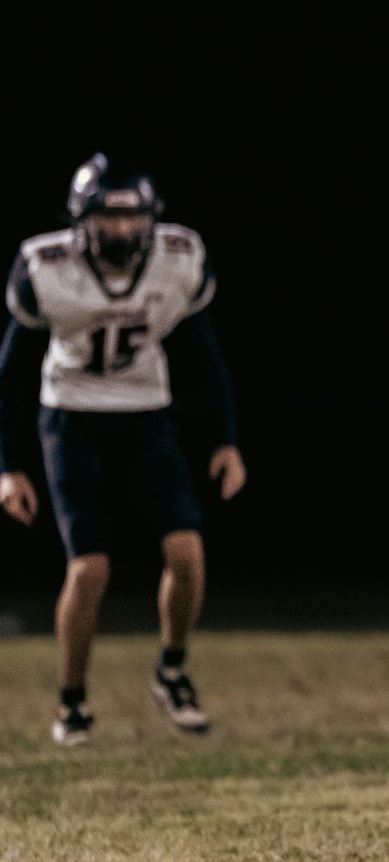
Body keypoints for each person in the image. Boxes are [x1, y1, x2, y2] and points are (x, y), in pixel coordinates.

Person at [0, 154, 246, 745]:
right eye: (108, 219)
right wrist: (7, 466)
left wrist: (226, 439)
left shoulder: (178, 257)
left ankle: (173, 669)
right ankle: (72, 704)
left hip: (145, 413)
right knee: (90, 569)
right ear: (83, 221)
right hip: (71, 417)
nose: (122, 232)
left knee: (187, 553)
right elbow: (9, 372)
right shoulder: (45, 265)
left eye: (132, 219)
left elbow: (205, 354)